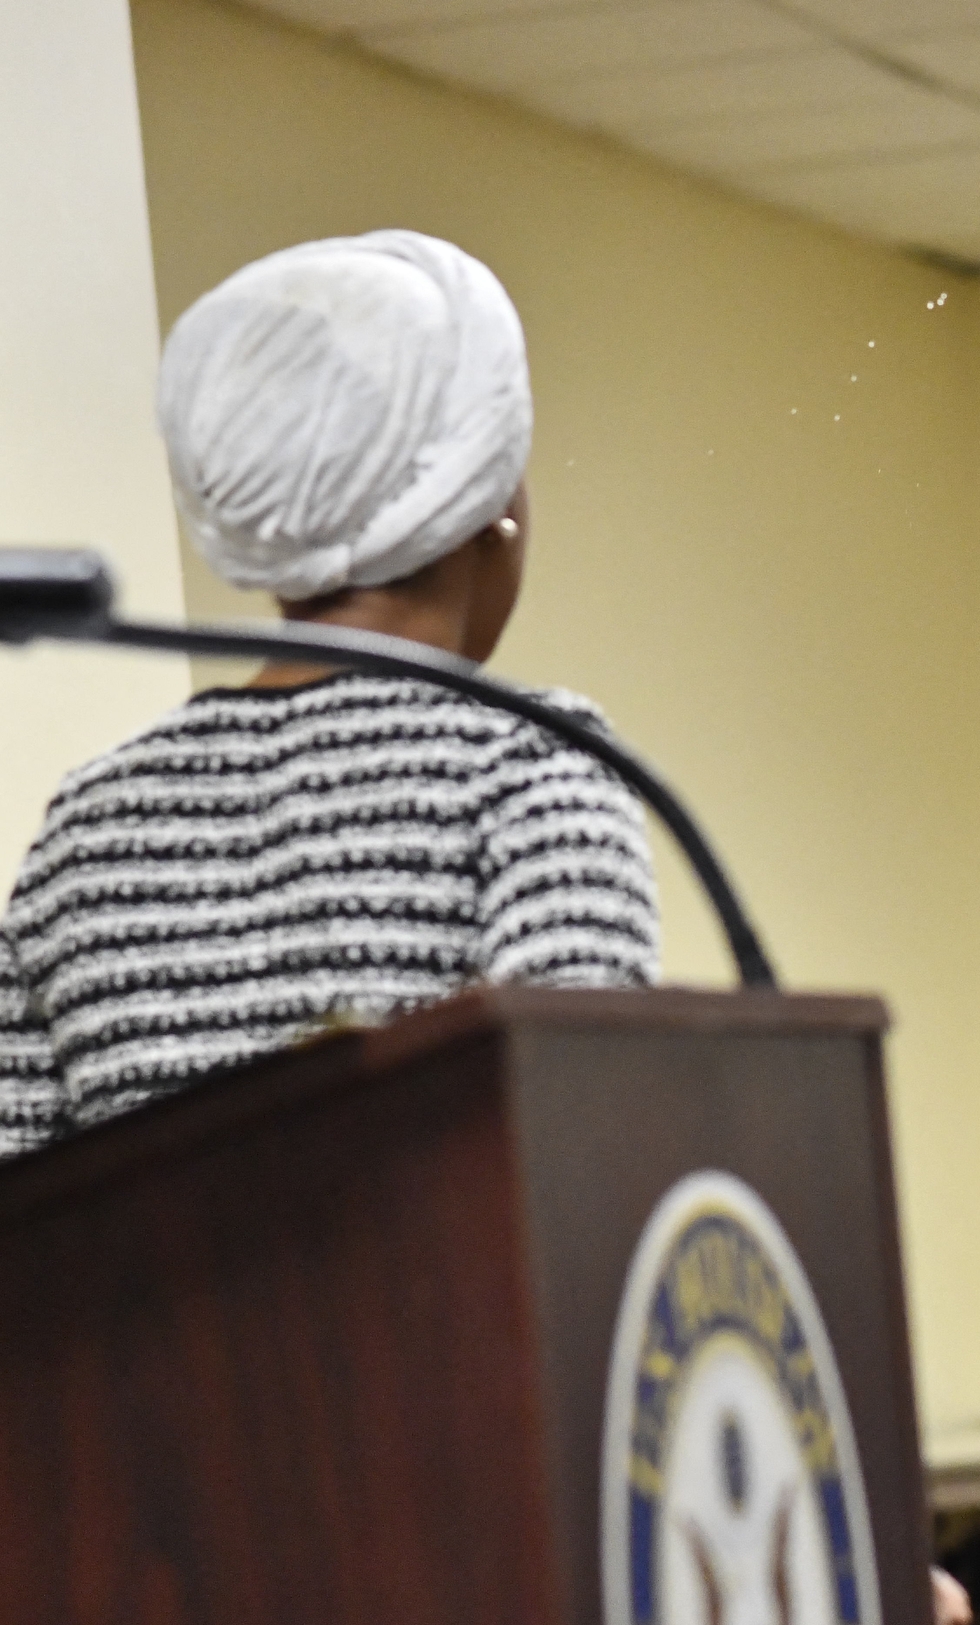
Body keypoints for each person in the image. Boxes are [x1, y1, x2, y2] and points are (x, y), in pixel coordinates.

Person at [0, 231, 657, 1158]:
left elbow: (21, 1220)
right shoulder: (533, 759)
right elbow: (588, 1128)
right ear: (492, 504)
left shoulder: (86, 827)